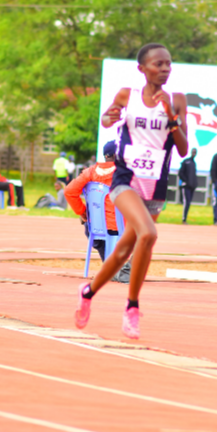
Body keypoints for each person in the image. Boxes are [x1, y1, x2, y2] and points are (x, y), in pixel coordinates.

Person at [74, 43, 188, 339]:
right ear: (142, 69)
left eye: (168, 64)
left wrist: (170, 117)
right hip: (126, 180)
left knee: (127, 247)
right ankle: (132, 307)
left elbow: (184, 148)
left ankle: (88, 292)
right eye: (158, 64)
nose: (164, 69)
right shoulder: (128, 95)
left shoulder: (176, 100)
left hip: (155, 183)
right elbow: (107, 118)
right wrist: (109, 117)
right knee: (148, 235)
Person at [64, 141, 131, 283]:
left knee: (89, 227)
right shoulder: (124, 172)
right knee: (147, 232)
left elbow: (69, 191)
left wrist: (83, 213)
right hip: (120, 228)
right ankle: (124, 272)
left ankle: (110, 267)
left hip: (94, 227)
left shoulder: (90, 172)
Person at [178, 148, 198, 224]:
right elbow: (181, 173)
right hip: (186, 186)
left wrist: (194, 184)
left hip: (192, 186)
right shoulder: (186, 161)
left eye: (195, 152)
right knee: (186, 202)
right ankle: (184, 219)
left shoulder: (194, 163)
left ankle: (185, 218)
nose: (194, 153)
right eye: (193, 151)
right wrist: (185, 181)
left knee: (188, 202)